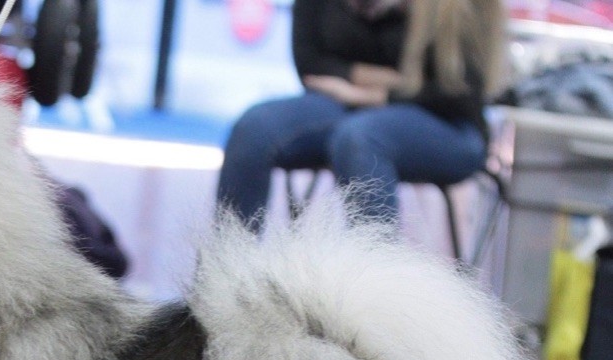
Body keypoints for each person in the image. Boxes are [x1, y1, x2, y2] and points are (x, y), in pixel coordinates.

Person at [216, 0, 505, 226]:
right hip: (343, 104)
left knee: (361, 138)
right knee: (254, 128)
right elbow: (312, 66)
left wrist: (371, 94)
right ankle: (224, 283)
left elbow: (460, 93)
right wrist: (391, 80)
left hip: (447, 121)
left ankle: (377, 290)